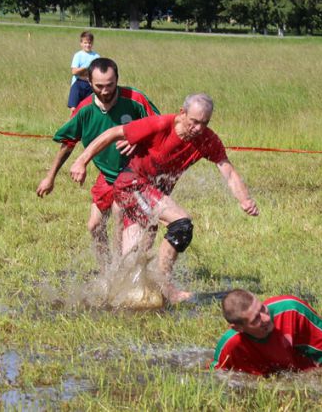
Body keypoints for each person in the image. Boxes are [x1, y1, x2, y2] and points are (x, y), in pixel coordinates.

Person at [68, 93, 259, 304]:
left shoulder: (207, 139)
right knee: (181, 224)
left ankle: (109, 296)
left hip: (148, 195)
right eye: (194, 122)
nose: (198, 129)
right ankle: (166, 286)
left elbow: (228, 170)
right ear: (182, 113)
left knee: (133, 261)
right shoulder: (161, 124)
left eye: (204, 123)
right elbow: (113, 133)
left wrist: (245, 200)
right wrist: (81, 161)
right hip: (132, 185)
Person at [37, 58, 160, 272]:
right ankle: (107, 272)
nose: (105, 91)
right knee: (93, 226)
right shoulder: (84, 110)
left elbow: (160, 128)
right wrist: (50, 177)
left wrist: (138, 139)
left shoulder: (135, 100)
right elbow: (68, 144)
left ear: (117, 80)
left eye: (110, 85)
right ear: (88, 82)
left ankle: (122, 270)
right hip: (106, 176)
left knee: (119, 213)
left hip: (136, 176)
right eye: (99, 86)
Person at [68, 31, 100, 113]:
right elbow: (74, 71)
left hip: (90, 84)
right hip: (78, 84)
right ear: (81, 43)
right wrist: (86, 68)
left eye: (89, 43)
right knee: (74, 108)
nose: (87, 45)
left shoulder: (96, 56)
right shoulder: (78, 55)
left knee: (88, 109)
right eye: (85, 43)